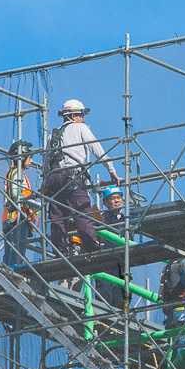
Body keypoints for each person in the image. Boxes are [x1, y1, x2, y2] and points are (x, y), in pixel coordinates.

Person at [43, 99, 112, 256]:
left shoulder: (52, 135)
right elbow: (97, 149)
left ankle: (59, 252)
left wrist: (45, 182)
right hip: (71, 176)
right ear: (73, 116)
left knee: (57, 217)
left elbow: (46, 161)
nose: (83, 119)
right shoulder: (80, 128)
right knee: (82, 212)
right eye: (81, 115)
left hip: (53, 178)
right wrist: (111, 170)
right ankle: (92, 248)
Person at [1, 140, 40, 266]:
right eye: (29, 157)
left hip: (13, 217)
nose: (31, 161)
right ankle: (12, 272)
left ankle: (8, 270)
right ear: (21, 157)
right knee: (17, 250)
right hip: (17, 217)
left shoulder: (15, 173)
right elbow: (16, 195)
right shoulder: (16, 173)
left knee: (12, 250)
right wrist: (35, 203)